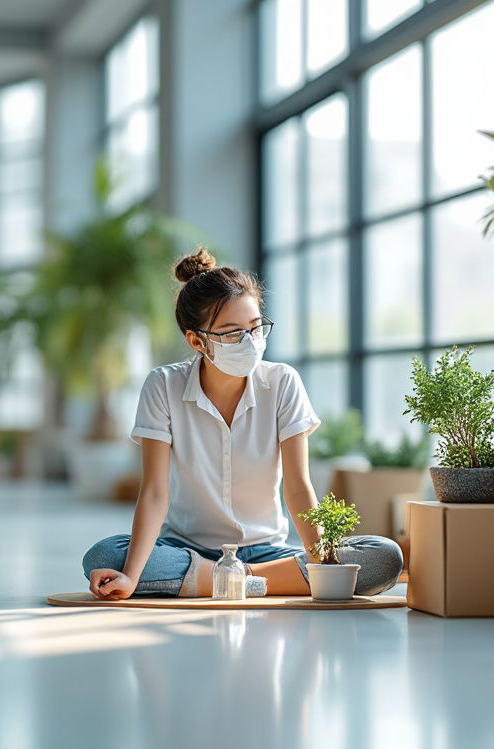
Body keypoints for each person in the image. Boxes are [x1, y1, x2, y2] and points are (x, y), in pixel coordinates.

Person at [82, 247, 403, 599]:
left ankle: (232, 580)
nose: (250, 342)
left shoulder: (282, 382)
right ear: (196, 340)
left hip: (267, 552)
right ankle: (262, 583)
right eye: (233, 333)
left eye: (255, 328)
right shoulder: (163, 385)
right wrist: (130, 574)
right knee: (104, 556)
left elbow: (298, 489)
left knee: (383, 556)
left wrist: (324, 562)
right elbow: (156, 493)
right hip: (189, 551)